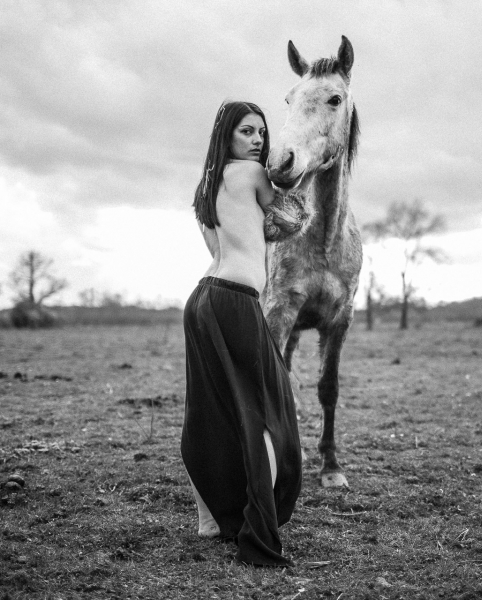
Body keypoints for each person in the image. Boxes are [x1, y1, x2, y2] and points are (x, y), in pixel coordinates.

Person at [181, 101, 303, 567]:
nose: (257, 141)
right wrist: (298, 177)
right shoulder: (254, 176)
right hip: (235, 299)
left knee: (210, 413)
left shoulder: (207, 186)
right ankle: (257, 523)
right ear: (227, 136)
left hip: (203, 299)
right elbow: (291, 221)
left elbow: (222, 243)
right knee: (268, 414)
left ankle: (209, 519)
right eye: (246, 132)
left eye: (261, 133)